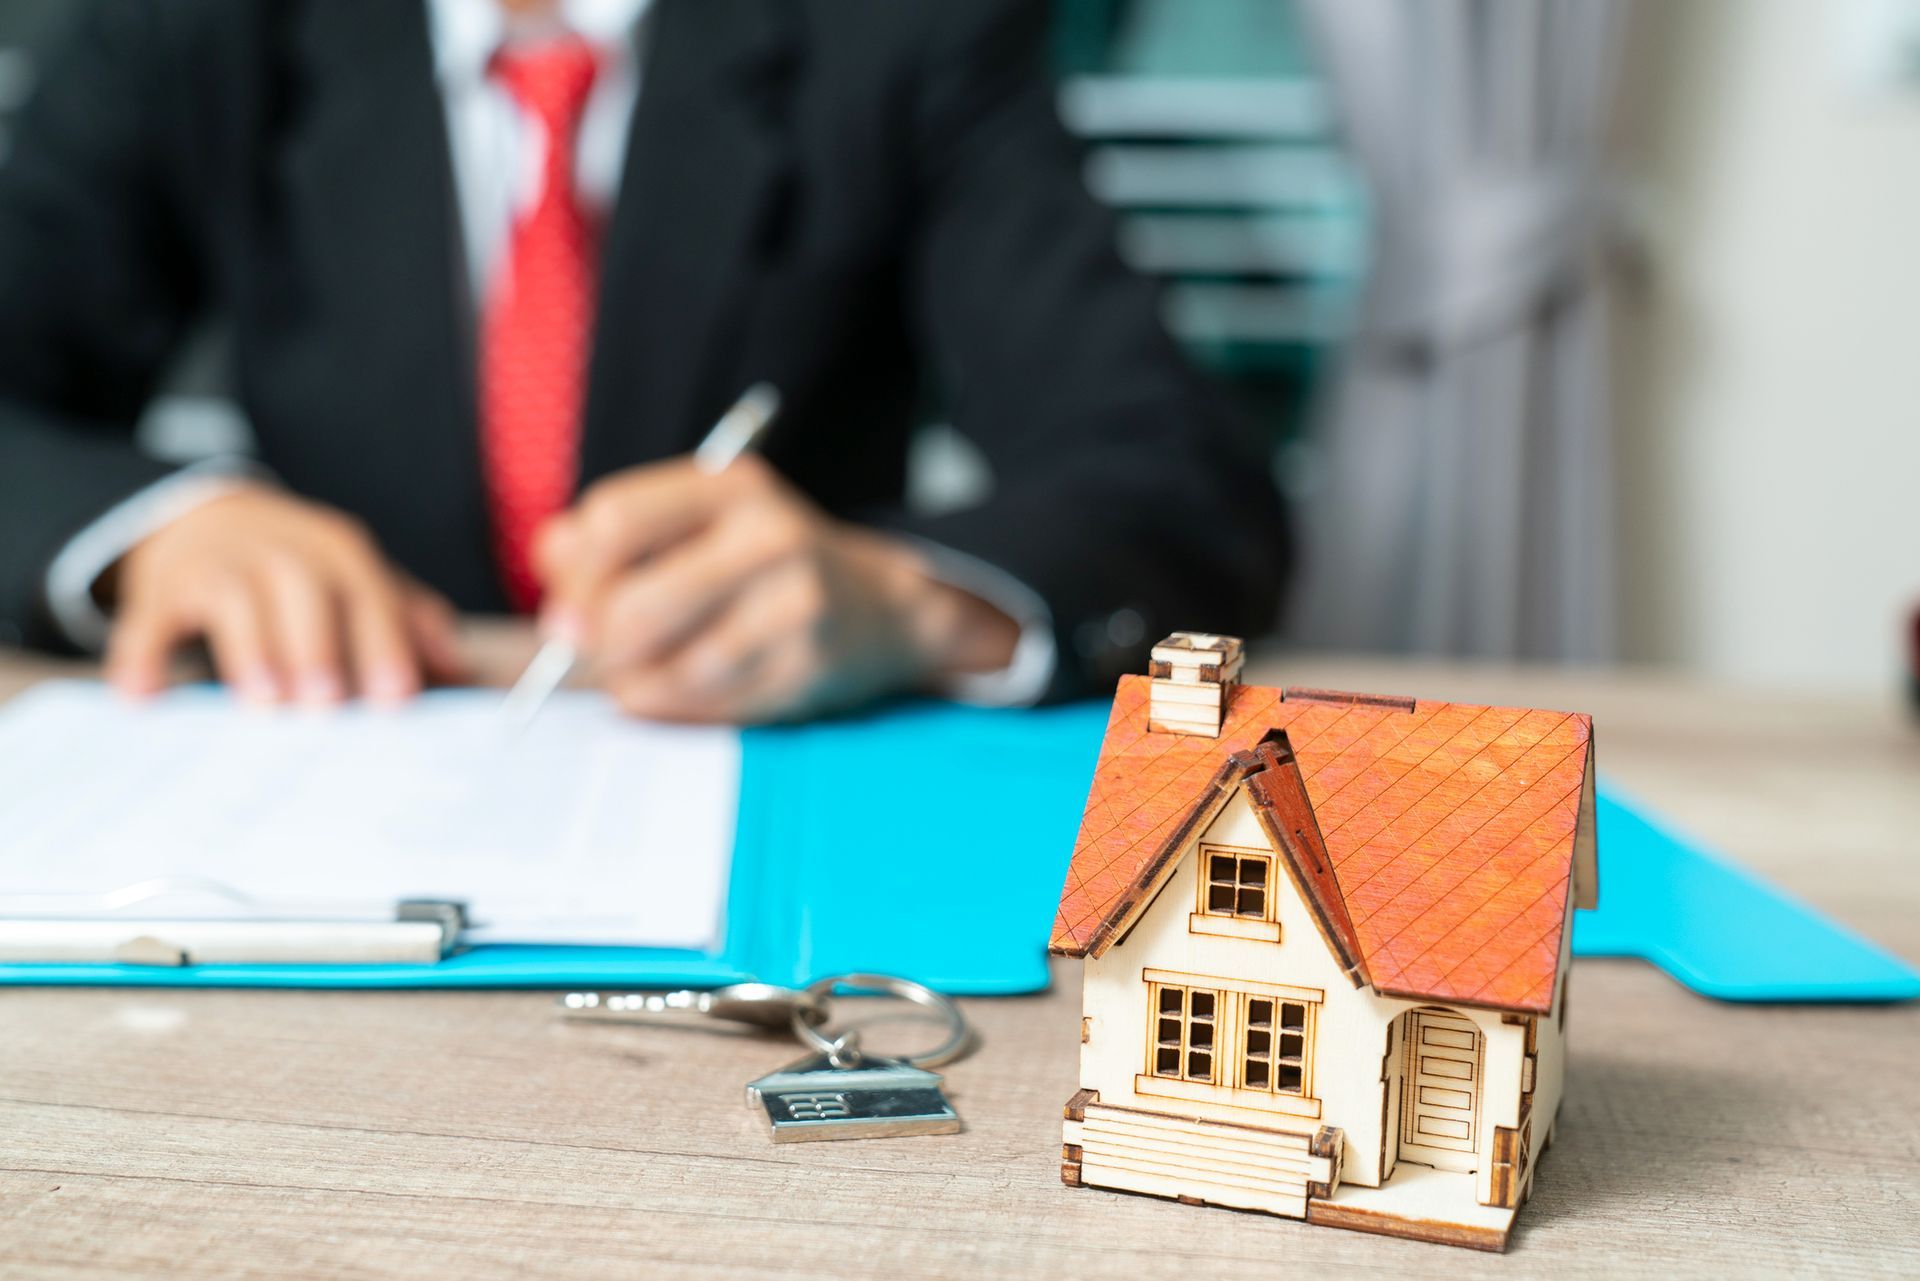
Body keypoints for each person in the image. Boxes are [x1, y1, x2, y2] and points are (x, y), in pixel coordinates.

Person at [0, 0, 1289, 722]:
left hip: (767, 791)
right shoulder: (187, 28)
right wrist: (156, 528)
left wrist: (908, 601)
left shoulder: (906, 30)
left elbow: (1177, 479)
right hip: (325, 767)